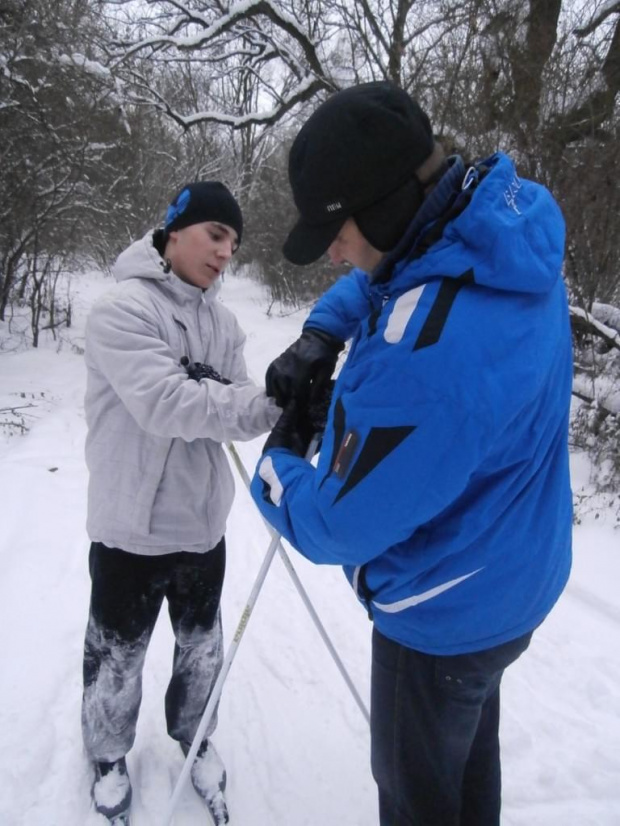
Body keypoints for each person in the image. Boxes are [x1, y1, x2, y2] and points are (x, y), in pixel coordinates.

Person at [250, 81, 573, 825]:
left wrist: (280, 462)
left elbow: (338, 525)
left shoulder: (427, 358)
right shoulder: (502, 238)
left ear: (390, 204)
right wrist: (322, 333)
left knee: (416, 792)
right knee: (465, 756)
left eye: (337, 229)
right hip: (513, 577)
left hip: (442, 616)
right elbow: (404, 272)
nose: (332, 251)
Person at [82, 181, 280, 824]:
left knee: (201, 648)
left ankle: (193, 739)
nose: (226, 252)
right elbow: (164, 401)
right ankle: (109, 755)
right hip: (129, 527)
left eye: (234, 242)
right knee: (119, 651)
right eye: (215, 234)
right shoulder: (122, 308)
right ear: (174, 231)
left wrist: (276, 399)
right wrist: (255, 402)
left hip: (200, 525)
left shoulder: (222, 323)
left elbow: (239, 400)